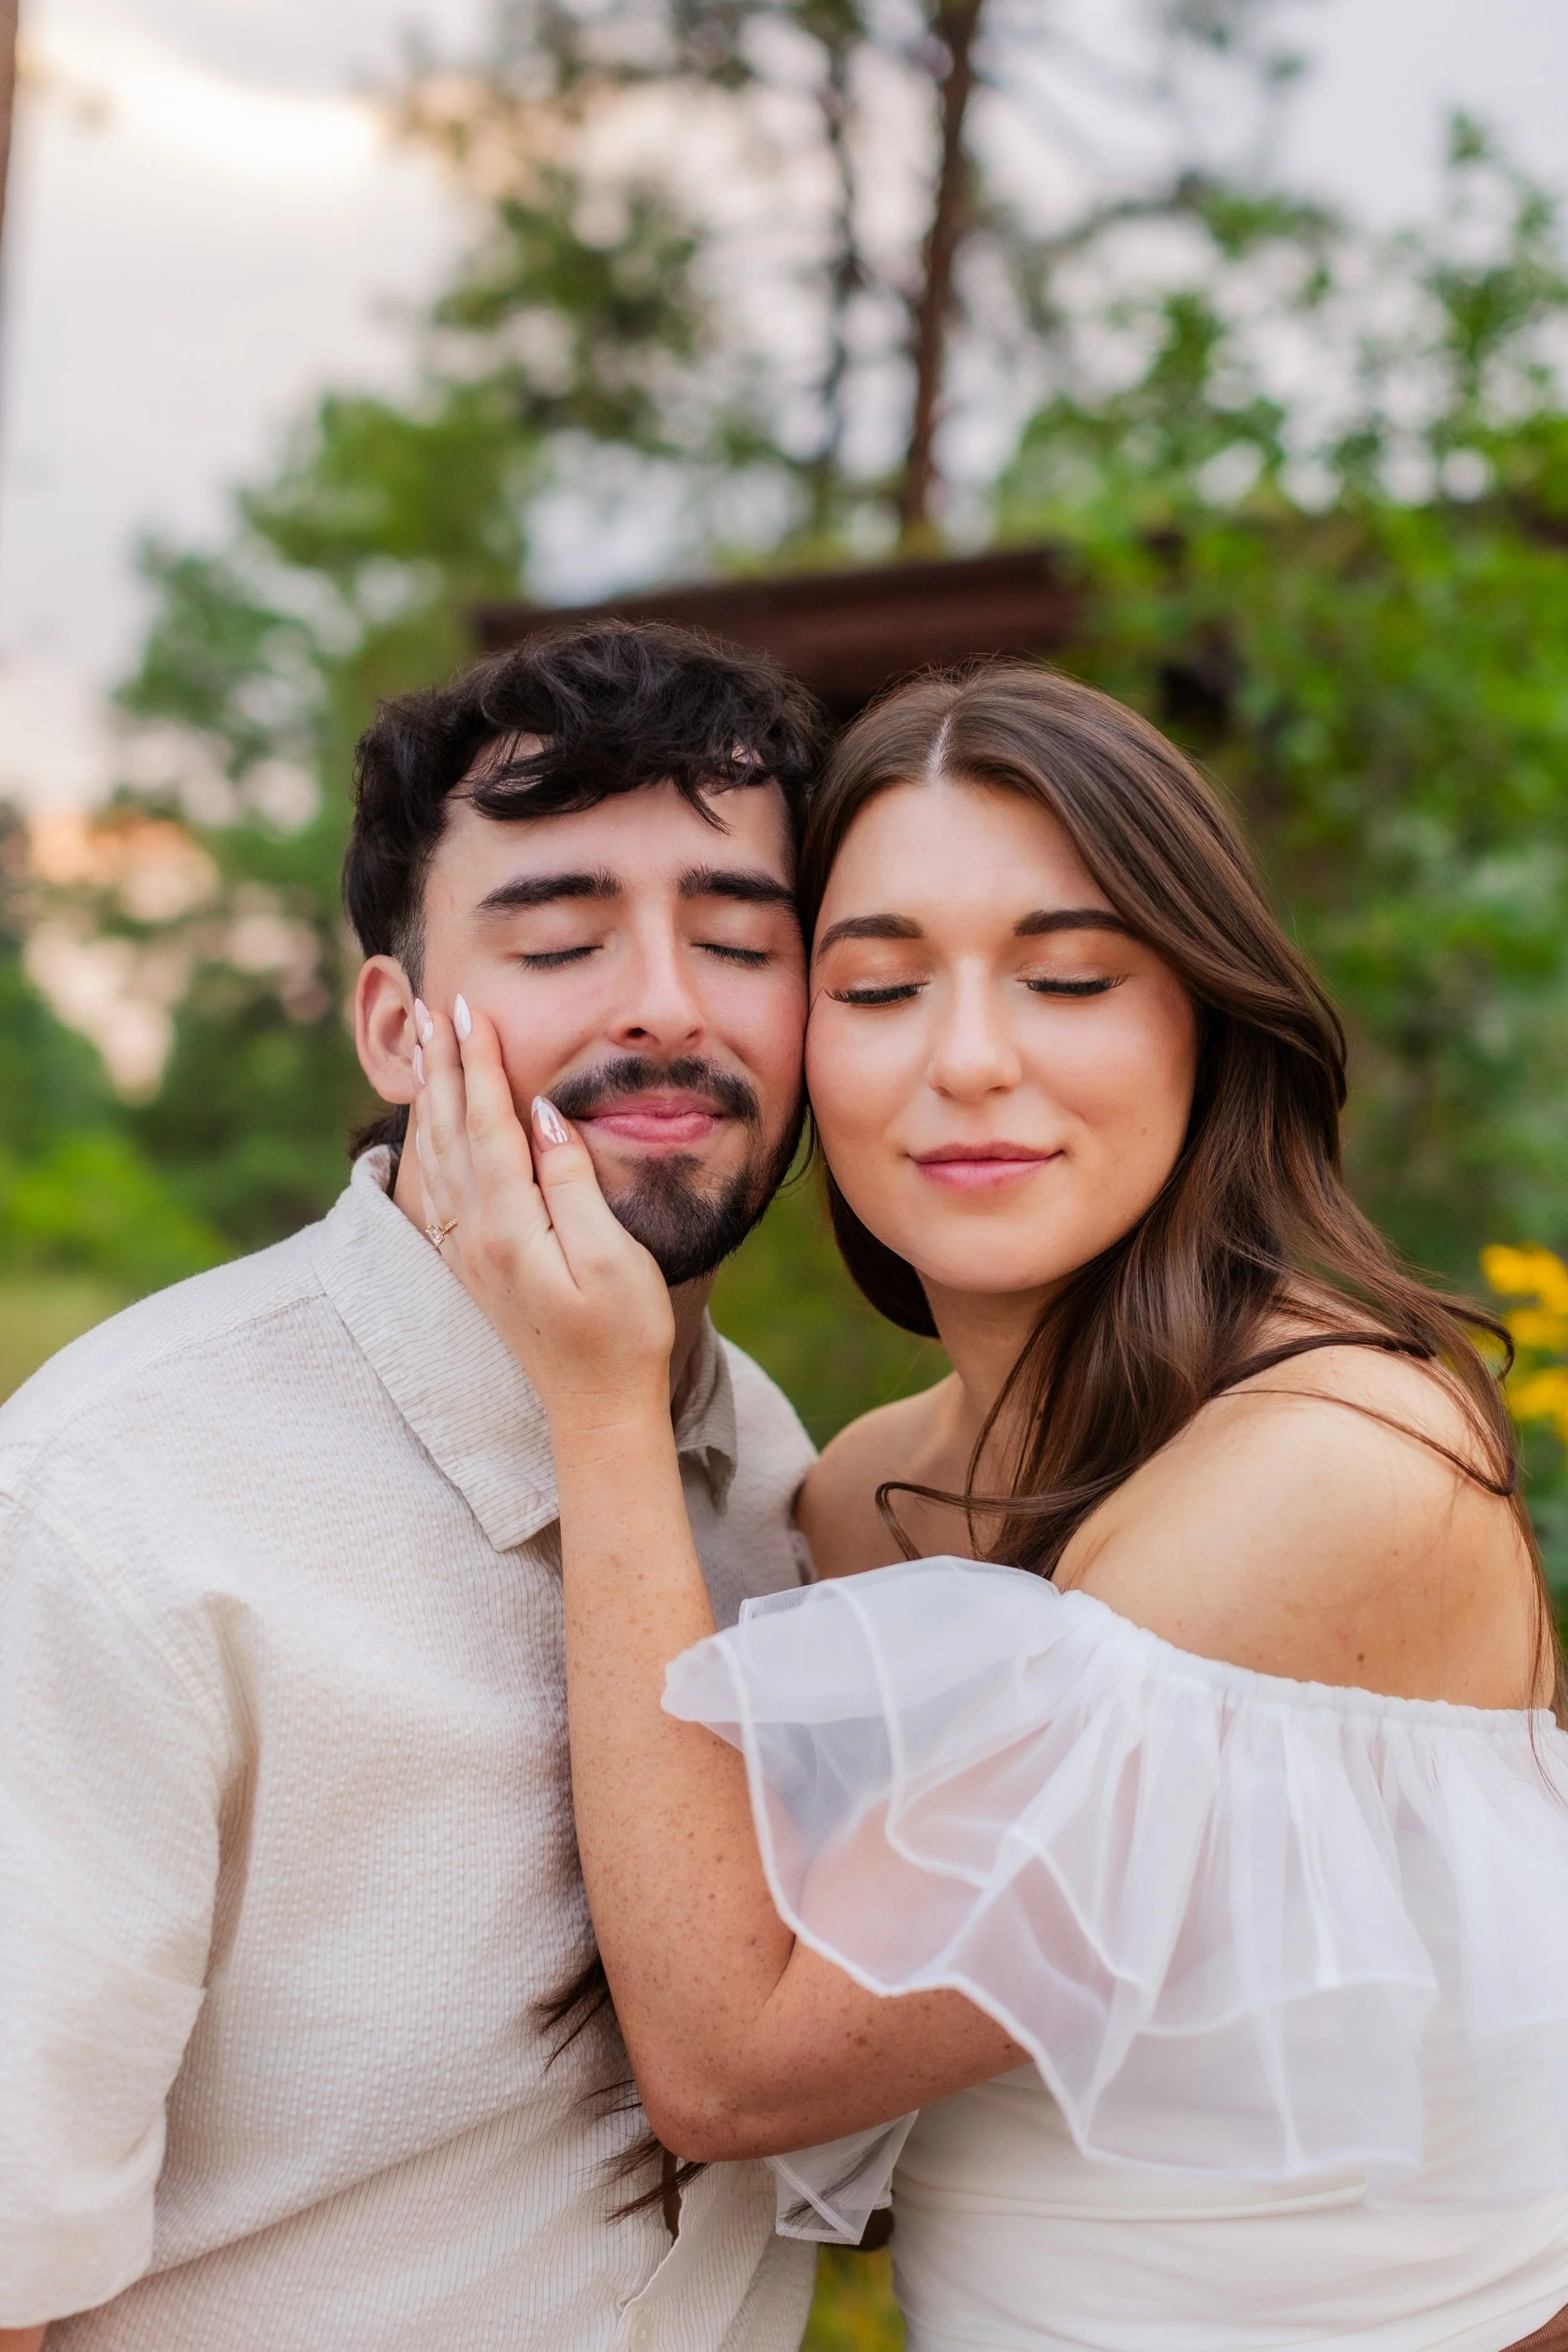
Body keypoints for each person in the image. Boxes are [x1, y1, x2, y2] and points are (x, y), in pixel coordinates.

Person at [415, 662, 1568, 2352]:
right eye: (876, 988)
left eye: (1068, 976)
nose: (966, 1061)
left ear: (1203, 1013)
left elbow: (736, 2065)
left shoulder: (1337, 1458)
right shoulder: (864, 1494)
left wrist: (601, 1399)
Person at [0, 622, 830, 2352]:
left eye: (739, 937)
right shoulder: (115, 1509)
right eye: (558, 934)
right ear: (393, 1024)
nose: (667, 1002)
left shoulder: (782, 1482)